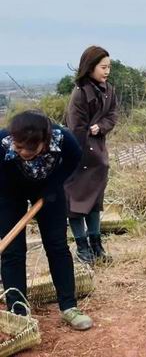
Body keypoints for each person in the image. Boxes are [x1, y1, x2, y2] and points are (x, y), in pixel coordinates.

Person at [0, 111, 93, 330]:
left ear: (43, 142)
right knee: (12, 251)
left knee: (57, 246)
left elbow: (75, 159)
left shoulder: (63, 139)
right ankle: (19, 313)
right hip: (9, 191)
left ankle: (69, 307)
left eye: (26, 148)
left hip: (48, 191)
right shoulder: (4, 142)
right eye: (17, 146)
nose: (19, 150)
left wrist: (53, 186)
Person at [64, 46, 118, 265]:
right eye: (103, 67)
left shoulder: (108, 89)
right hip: (79, 156)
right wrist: (88, 141)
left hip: (98, 155)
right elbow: (75, 127)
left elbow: (112, 115)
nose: (107, 71)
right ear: (90, 67)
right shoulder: (80, 92)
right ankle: (82, 247)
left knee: (95, 201)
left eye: (109, 67)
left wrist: (100, 128)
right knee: (75, 204)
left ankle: (96, 245)